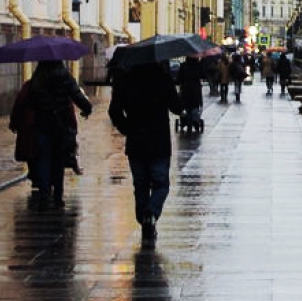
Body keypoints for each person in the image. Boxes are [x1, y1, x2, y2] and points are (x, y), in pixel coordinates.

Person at [110, 55, 181, 247]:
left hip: (136, 143)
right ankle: (151, 213)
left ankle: (145, 219)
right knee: (160, 184)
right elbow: (177, 107)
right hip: (159, 143)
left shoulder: (127, 80)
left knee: (140, 185)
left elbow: (114, 111)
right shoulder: (163, 79)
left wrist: (127, 128)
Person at [11, 58, 92, 209]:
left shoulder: (37, 79)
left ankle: (44, 194)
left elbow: (28, 102)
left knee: (43, 159)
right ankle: (58, 196)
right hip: (60, 125)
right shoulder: (65, 76)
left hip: (41, 125)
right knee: (58, 161)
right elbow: (77, 95)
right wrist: (87, 108)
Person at [175, 51, 206, 135]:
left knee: (185, 105)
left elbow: (178, 79)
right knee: (195, 105)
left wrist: (178, 82)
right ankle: (195, 120)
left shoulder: (183, 65)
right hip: (196, 89)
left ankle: (184, 120)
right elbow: (203, 75)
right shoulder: (198, 65)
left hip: (185, 89)